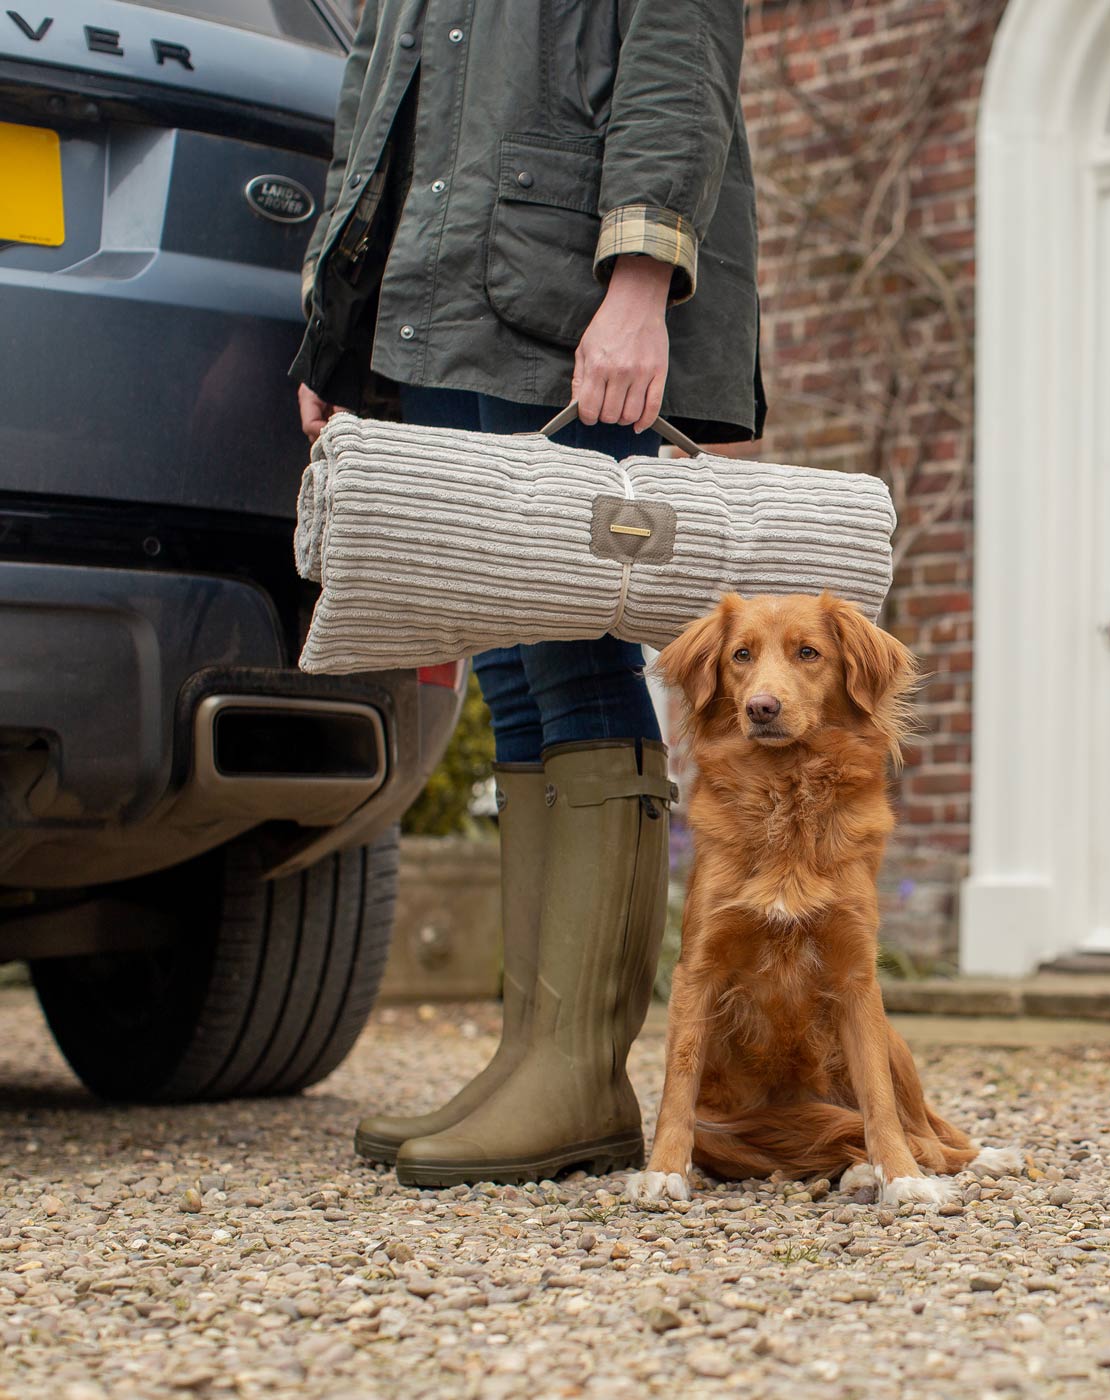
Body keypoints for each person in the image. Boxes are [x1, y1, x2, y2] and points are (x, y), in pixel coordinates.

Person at [291, 0, 764, 1188]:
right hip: (440, 298)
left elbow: (675, 57)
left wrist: (640, 278)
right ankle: (532, 1050)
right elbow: (379, 94)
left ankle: (580, 1068)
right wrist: (334, 326)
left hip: (560, 297)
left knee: (573, 637)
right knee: (506, 644)